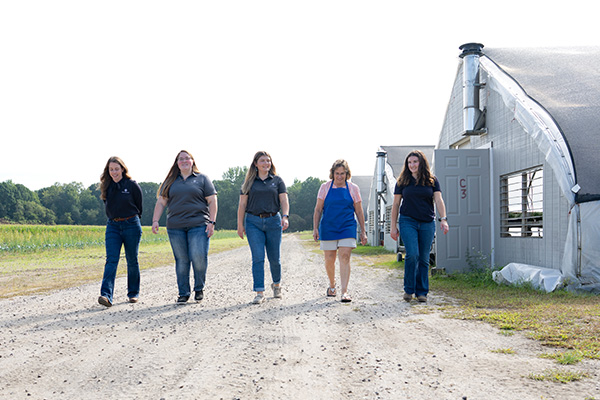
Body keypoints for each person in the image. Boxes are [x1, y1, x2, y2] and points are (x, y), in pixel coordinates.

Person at [151, 150, 218, 304]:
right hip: (175, 227)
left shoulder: (202, 179)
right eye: (181, 159)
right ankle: (183, 292)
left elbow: (212, 200)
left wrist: (212, 222)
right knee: (182, 260)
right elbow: (161, 202)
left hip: (199, 224)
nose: (184, 161)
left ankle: (199, 288)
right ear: (177, 163)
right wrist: (155, 220)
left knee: (199, 257)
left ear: (192, 161)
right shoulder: (170, 181)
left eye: (187, 158)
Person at [390, 150, 449, 303]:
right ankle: (409, 290)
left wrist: (444, 219)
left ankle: (422, 292)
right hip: (407, 221)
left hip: (427, 223)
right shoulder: (402, 181)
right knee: (412, 254)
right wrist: (392, 226)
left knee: (423, 258)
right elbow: (396, 204)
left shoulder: (432, 180)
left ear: (421, 162)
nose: (412, 165)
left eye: (415, 162)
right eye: (409, 162)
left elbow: (439, 200)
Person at [237, 151, 290, 304]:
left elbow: (284, 200)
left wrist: (285, 216)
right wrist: (240, 225)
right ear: (255, 164)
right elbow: (242, 205)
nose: (266, 163)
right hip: (253, 222)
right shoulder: (249, 183)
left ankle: (277, 285)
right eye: (262, 161)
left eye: (268, 161)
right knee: (258, 258)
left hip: (274, 221)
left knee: (275, 259)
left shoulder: (278, 181)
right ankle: (259, 292)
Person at [313, 159, 367, 303]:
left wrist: (363, 231)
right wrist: (315, 228)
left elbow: (359, 211)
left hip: (347, 226)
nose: (339, 176)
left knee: (344, 256)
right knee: (329, 259)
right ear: (332, 173)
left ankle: (345, 291)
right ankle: (332, 286)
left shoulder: (353, 188)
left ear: (347, 174)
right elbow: (318, 210)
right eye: (337, 173)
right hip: (328, 227)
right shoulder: (325, 187)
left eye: (342, 173)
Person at [98, 156, 144, 307]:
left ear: (123, 169)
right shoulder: (107, 186)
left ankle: (133, 293)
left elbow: (139, 206)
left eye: (117, 169)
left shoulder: (131, 185)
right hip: (113, 226)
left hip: (131, 224)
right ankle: (106, 295)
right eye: (111, 169)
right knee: (111, 260)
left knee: (132, 260)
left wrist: (133, 220)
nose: (114, 172)